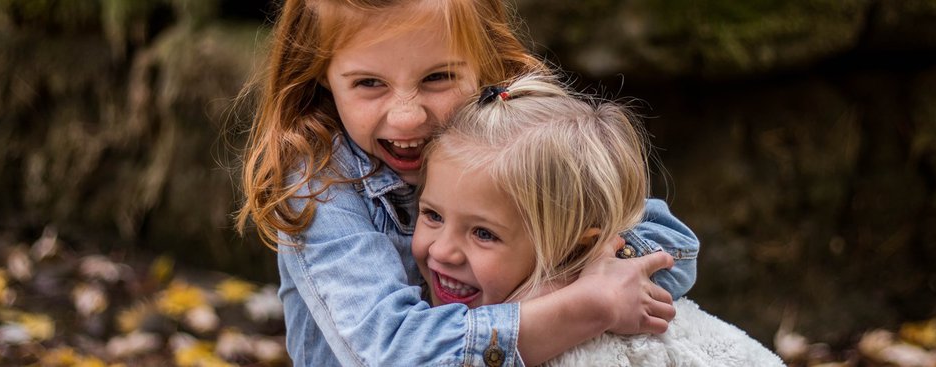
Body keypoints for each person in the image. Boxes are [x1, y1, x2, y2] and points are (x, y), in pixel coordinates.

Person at [235, 0, 699, 365]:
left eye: (438, 77)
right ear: (320, 77)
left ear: (486, 62)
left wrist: (563, 278)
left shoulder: (515, 142)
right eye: (369, 84)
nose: (407, 116)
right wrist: (582, 306)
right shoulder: (320, 185)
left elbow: (671, 244)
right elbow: (392, 353)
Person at [412, 74, 783, 366]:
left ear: (578, 247)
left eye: (482, 233)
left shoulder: (598, 347)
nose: (442, 251)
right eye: (432, 215)